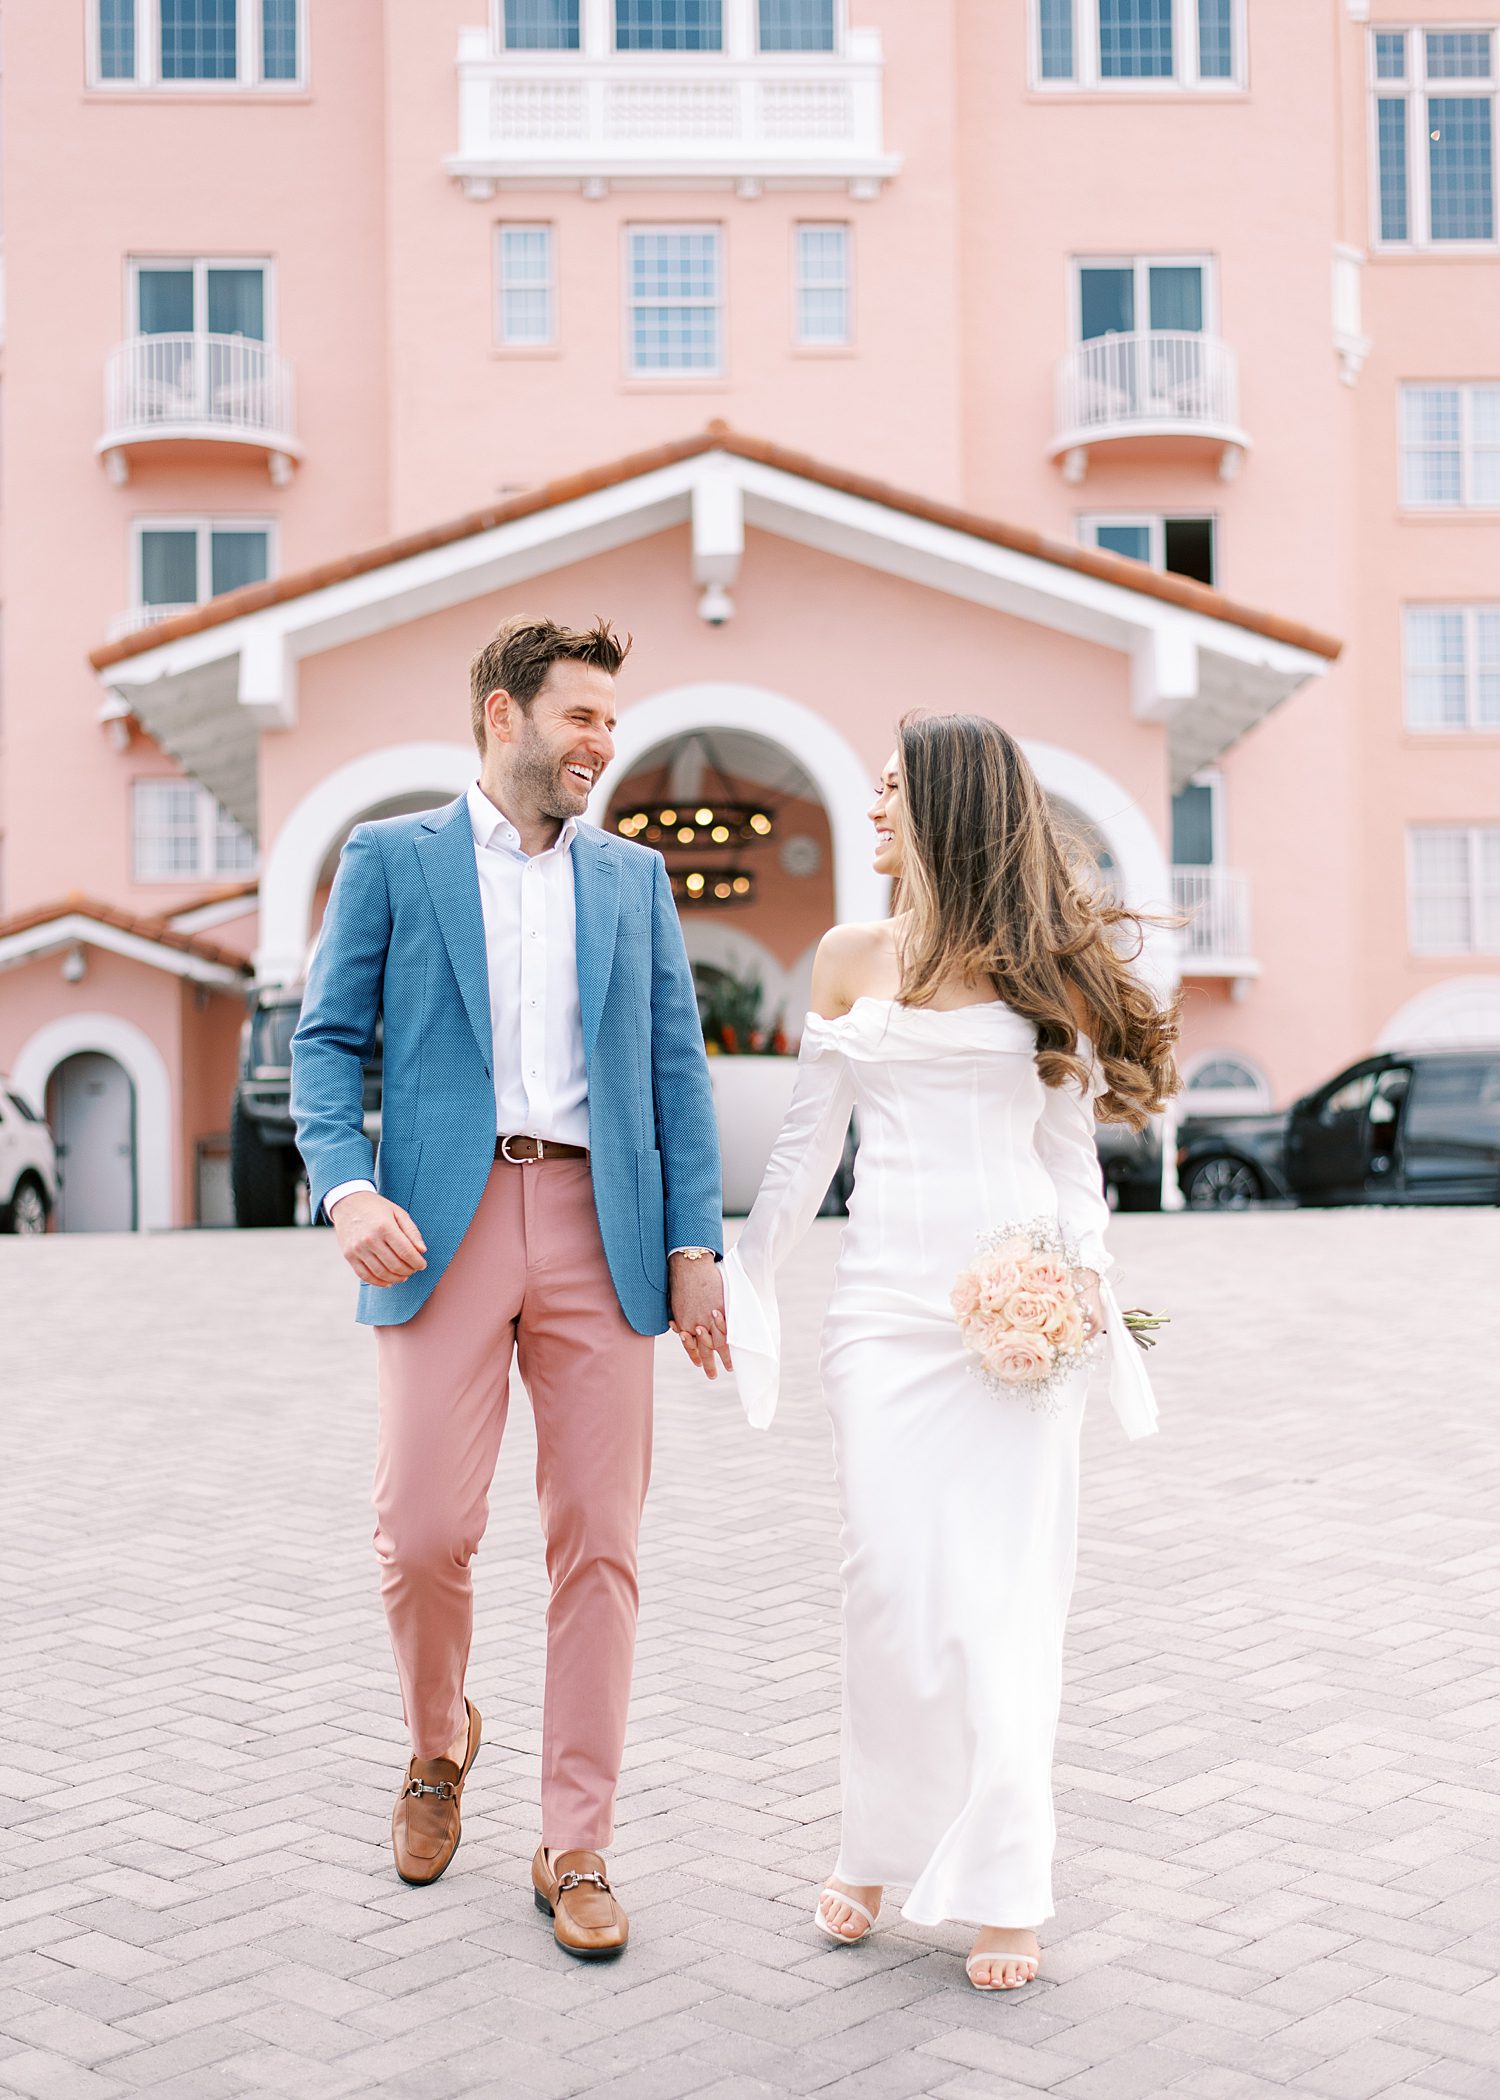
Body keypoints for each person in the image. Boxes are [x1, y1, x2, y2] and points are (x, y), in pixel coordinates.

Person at [715, 713, 1176, 1992]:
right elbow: (806, 1150)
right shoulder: (849, 958)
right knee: (890, 1592)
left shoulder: (1052, 977)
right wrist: (743, 1273)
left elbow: (1072, 1168)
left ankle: (1005, 1886)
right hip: (882, 1320)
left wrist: (1079, 1287)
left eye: (893, 790)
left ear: (952, 808)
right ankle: (876, 1842)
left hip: (1014, 1320)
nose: (873, 807)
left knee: (1002, 1605)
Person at [291, 615, 729, 1961]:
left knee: (600, 1538)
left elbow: (676, 1076)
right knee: (421, 1529)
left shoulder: (636, 880)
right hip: (442, 1221)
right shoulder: (390, 860)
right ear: (503, 716)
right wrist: (346, 1187)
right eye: (581, 717)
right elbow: (326, 1044)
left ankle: (574, 1838)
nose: (603, 741)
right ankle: (438, 1747)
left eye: (612, 718)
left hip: (605, 1226)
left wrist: (695, 1247)